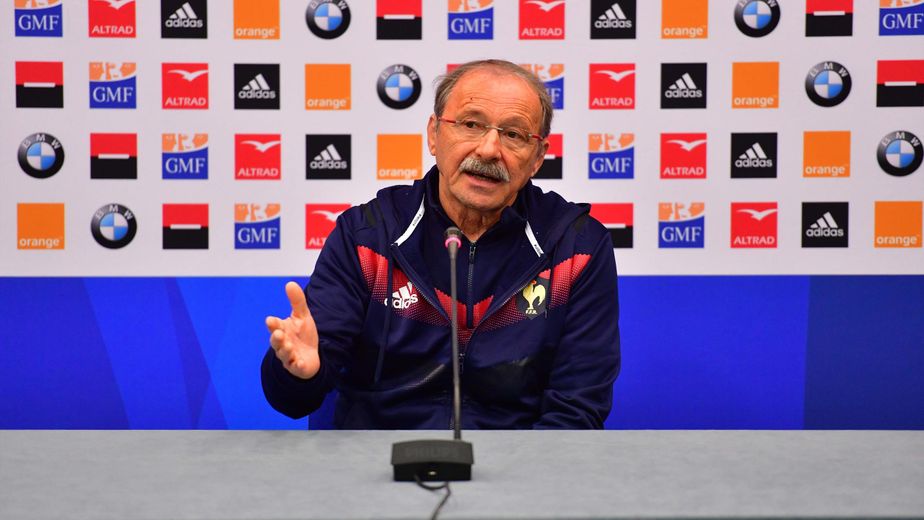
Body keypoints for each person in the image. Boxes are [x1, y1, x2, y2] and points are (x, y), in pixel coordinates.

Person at [262, 59, 620, 429]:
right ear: (434, 134)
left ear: (537, 158)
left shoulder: (576, 248)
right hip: (379, 466)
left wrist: (521, 482)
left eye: (514, 135)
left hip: (517, 468)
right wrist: (299, 373)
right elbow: (292, 399)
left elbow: (578, 408)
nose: (488, 149)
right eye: (470, 124)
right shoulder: (368, 237)